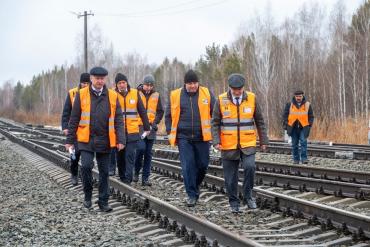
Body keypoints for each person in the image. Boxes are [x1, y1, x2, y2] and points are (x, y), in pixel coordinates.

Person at [65, 67, 125, 212]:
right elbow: (74, 118)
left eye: (102, 78)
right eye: (97, 78)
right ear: (91, 78)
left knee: (104, 172)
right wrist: (69, 140)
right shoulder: (81, 94)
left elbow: (118, 119)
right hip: (86, 139)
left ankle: (103, 202)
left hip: (105, 139)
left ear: (105, 79)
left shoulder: (112, 95)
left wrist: (121, 139)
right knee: (86, 166)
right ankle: (87, 195)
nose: (99, 81)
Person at [211, 73, 269, 213]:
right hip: (228, 145)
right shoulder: (221, 100)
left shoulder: (252, 98)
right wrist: (216, 141)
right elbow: (215, 123)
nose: (237, 92)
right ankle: (234, 202)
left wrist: (263, 140)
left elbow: (259, 121)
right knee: (230, 177)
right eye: (234, 89)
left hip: (247, 143)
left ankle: (248, 196)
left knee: (250, 168)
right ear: (230, 88)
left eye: (239, 89)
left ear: (243, 87)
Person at [165, 70, 215, 207]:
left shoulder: (207, 93)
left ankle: (195, 185)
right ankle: (191, 194)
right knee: (188, 166)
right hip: (183, 137)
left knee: (203, 165)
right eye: (189, 83)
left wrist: (216, 134)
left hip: (202, 137)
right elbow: (168, 116)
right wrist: (170, 132)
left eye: (194, 83)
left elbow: (215, 113)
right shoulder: (175, 95)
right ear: (185, 83)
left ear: (198, 82)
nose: (192, 86)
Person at [113, 73, 150, 185]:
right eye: (119, 83)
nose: (122, 85)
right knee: (120, 156)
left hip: (132, 131)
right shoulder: (112, 94)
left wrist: (147, 127)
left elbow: (142, 111)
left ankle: (128, 180)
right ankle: (122, 175)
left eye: (124, 82)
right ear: (116, 85)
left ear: (127, 83)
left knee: (130, 155)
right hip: (118, 132)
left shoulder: (135, 93)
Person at [134, 74, 164, 186]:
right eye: (147, 85)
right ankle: (136, 171)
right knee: (140, 149)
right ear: (143, 84)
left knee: (148, 154)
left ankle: (145, 178)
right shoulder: (136, 93)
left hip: (151, 128)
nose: (149, 87)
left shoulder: (156, 95)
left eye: (151, 85)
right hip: (139, 127)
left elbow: (160, 111)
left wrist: (155, 122)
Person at [61, 72, 90, 185]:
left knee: (86, 157)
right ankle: (74, 174)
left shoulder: (92, 94)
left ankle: (84, 176)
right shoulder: (72, 93)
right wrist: (65, 127)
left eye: (87, 83)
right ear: (80, 83)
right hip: (74, 132)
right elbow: (66, 112)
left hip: (88, 131)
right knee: (74, 155)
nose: (85, 85)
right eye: (83, 83)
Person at [283, 90, 314, 164]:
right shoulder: (289, 105)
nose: (298, 98)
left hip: (304, 127)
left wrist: (309, 124)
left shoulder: (307, 105)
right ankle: (296, 159)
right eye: (297, 96)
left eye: (300, 96)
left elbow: (311, 116)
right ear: (294, 96)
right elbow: (285, 115)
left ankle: (304, 159)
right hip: (293, 127)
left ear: (302, 96)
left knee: (303, 142)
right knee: (294, 144)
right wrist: (286, 124)